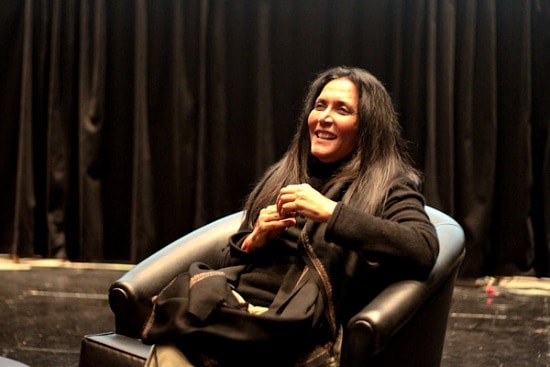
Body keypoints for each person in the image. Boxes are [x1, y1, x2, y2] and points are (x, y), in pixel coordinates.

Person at [142, 66, 439, 367]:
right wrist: (254, 240)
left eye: (342, 110)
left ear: (368, 128)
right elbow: (231, 266)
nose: (323, 117)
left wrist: (331, 213)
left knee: (177, 335)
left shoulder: (388, 186)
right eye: (320, 106)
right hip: (237, 312)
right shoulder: (284, 175)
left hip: (291, 327)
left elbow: (422, 247)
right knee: (174, 326)